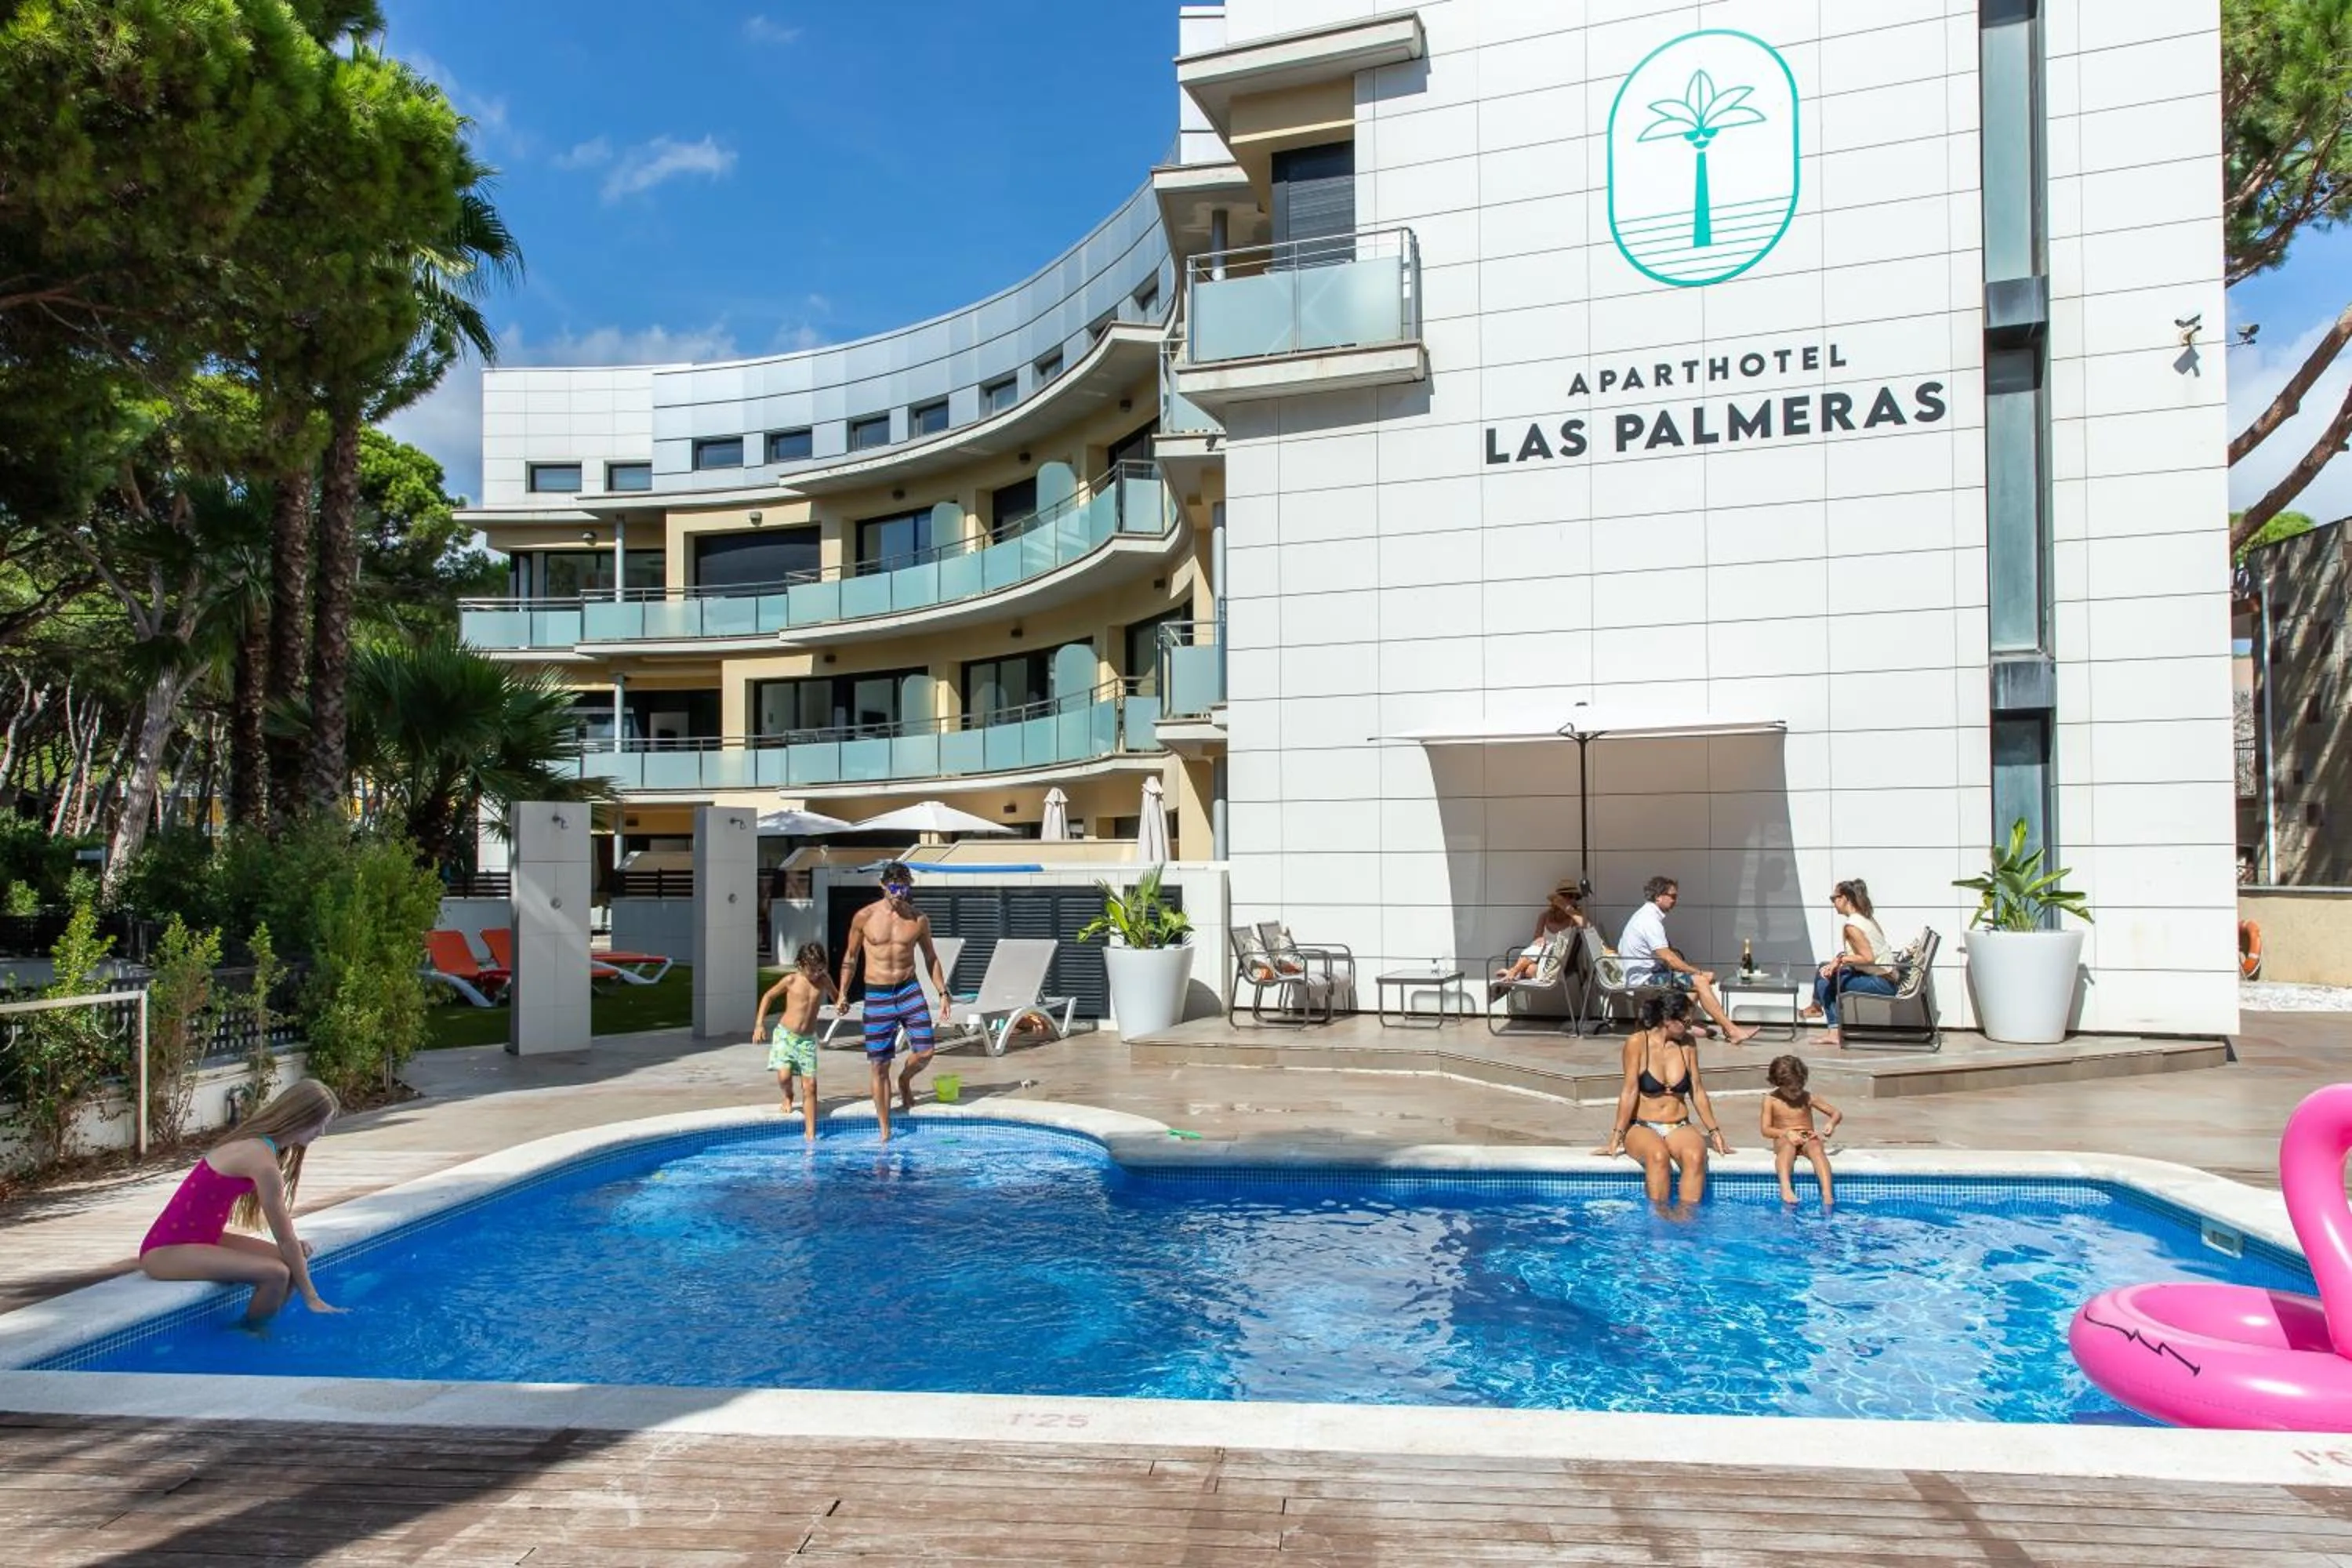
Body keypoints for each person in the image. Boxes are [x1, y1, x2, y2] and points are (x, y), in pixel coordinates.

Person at [137, 1080, 345, 1324]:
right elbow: (285, 1238)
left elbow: (289, 1245)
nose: (321, 1132)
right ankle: (249, 1335)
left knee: (292, 1259)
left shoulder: (260, 1143)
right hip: (166, 1251)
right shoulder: (262, 1161)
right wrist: (312, 1298)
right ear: (301, 1118)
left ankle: (264, 1323)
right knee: (277, 1273)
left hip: (203, 1237)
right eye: (320, 1124)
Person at [838, 862, 950, 1142]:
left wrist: (943, 992)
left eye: (904, 887)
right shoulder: (864, 917)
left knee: (925, 1052)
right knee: (879, 1064)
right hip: (877, 994)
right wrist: (842, 992)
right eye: (894, 887)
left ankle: (904, 1080)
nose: (899, 893)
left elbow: (930, 958)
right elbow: (850, 958)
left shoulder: (918, 920)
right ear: (883, 885)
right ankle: (885, 1130)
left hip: (909, 989)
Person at [1595, 993, 1733, 1208]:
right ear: (1668, 1020)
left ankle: (1687, 1225)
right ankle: (1659, 1226)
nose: (1689, 1028)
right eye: (1687, 1022)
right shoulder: (1637, 1043)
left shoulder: (1687, 1045)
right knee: (1658, 1157)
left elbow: (1697, 1090)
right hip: (1643, 1125)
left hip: (1679, 1124)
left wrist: (1714, 1131)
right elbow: (1629, 1091)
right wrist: (1617, 1135)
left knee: (1695, 1156)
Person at [1615, 876, 1759, 1044]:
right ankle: (1732, 1031)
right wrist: (1699, 973)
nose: (1675, 900)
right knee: (1699, 982)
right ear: (1658, 897)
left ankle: (1684, 1026)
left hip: (1645, 973)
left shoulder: (1644, 915)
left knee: (1694, 987)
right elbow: (1669, 958)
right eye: (1672, 896)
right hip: (1645, 978)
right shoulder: (1649, 921)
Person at [755, 942, 837, 1140]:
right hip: (786, 1035)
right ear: (801, 964)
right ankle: (788, 1095)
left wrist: (841, 1004)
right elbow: (768, 996)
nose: (816, 974)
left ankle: (810, 1135)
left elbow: (837, 997)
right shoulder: (791, 980)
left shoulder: (824, 981)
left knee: (810, 1086)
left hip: (807, 1041)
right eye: (812, 970)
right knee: (784, 1077)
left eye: (820, 969)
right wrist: (759, 1024)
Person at [1802, 878, 1896, 1047]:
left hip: (1883, 982)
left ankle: (1833, 1032)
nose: (1833, 902)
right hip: (1884, 977)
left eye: (1834, 898)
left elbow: (1868, 958)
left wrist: (1840, 960)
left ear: (1845, 898)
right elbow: (1862, 953)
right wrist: (1837, 960)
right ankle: (1816, 1006)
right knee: (1824, 967)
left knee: (1826, 980)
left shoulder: (1852, 925)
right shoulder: (1865, 918)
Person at [1760, 1054, 1842, 1207]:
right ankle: (1786, 1187)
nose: (1798, 1093)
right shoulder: (1771, 1100)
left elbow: (1836, 1113)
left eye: (1800, 1088)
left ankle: (1827, 1193)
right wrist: (1786, 1133)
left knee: (1817, 1148)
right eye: (1792, 1090)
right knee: (1787, 1147)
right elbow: (1765, 1130)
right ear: (1779, 1083)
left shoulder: (1807, 1097)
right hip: (1784, 1137)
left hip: (1806, 1136)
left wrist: (1831, 1124)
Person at [1490, 883, 1590, 993]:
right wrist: (1539, 938)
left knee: (1530, 969)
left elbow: (1588, 928)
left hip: (1558, 960)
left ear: (1575, 900)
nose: (1567, 899)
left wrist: (1568, 910)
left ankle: (1513, 972)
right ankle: (1514, 972)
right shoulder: (1545, 916)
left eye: (1571, 896)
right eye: (1564, 896)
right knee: (1537, 948)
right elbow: (1537, 938)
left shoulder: (1576, 916)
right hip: (1541, 955)